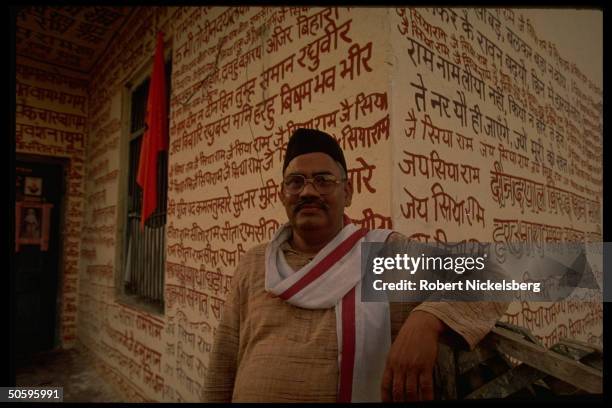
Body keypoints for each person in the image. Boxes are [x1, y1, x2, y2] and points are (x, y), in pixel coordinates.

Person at [202, 128, 508, 402]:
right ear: (282, 194)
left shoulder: (384, 256)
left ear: (347, 193)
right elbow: (224, 363)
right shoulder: (255, 263)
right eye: (296, 182)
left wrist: (428, 319)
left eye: (323, 181)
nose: (308, 192)